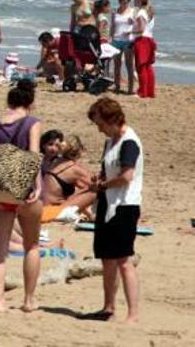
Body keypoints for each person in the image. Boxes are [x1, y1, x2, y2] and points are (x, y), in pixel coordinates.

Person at [81, 98, 142, 324]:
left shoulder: (129, 142)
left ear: (111, 120)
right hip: (108, 203)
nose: (98, 128)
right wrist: (101, 179)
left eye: (100, 123)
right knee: (107, 259)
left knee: (124, 260)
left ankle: (133, 314)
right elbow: (109, 170)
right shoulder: (111, 142)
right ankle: (108, 308)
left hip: (125, 205)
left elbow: (127, 176)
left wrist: (103, 185)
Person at [0, 79, 43, 313]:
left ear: (9, 101)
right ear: (30, 102)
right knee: (32, 245)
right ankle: (29, 300)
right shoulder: (32, 123)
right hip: (24, 191)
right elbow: (34, 156)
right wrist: (37, 186)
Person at [39, 131, 96, 220]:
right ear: (79, 151)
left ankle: (90, 215)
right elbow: (95, 184)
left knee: (84, 189)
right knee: (95, 191)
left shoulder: (55, 162)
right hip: (52, 212)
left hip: (42, 209)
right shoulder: (73, 168)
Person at [131, 0, 156, 98]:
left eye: (135, 0)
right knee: (148, 66)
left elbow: (141, 29)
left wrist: (131, 31)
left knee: (140, 67)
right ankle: (149, 92)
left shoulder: (141, 12)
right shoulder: (149, 12)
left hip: (142, 40)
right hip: (150, 39)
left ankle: (142, 92)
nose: (134, 2)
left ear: (140, 1)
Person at [112, 0, 136, 95]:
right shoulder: (115, 11)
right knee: (117, 65)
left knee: (129, 65)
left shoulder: (133, 11)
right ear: (119, 0)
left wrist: (132, 26)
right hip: (116, 40)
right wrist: (110, 38)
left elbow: (139, 26)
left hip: (128, 41)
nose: (124, 1)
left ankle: (130, 89)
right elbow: (113, 26)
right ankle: (117, 86)